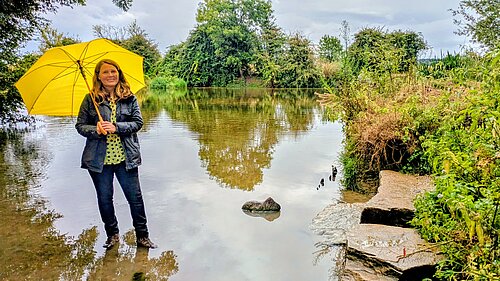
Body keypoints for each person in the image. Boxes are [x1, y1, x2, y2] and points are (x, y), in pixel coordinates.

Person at [75, 59, 157, 249]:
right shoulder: (90, 99)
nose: (110, 75)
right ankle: (112, 236)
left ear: (119, 73)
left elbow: (138, 123)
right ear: (98, 76)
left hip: (126, 157)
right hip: (98, 160)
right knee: (105, 199)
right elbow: (80, 126)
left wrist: (116, 127)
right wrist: (96, 129)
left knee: (135, 199)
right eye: (105, 72)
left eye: (114, 71)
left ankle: (142, 237)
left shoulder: (129, 98)